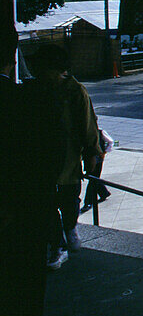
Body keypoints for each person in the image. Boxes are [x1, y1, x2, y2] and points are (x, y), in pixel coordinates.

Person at [0, 28, 59, 316]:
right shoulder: (31, 103)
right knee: (22, 310)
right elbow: (49, 162)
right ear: (12, 57)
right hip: (22, 222)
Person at [25, 44, 102, 268]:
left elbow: (87, 125)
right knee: (46, 202)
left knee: (69, 199)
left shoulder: (75, 91)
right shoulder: (36, 90)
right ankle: (57, 245)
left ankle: (70, 227)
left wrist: (91, 153)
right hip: (41, 156)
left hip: (68, 156)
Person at [80, 127, 114, 213]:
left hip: (98, 158)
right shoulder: (84, 132)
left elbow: (110, 142)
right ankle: (104, 192)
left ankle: (88, 202)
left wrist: (104, 152)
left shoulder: (100, 132)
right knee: (94, 178)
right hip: (89, 159)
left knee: (92, 179)